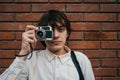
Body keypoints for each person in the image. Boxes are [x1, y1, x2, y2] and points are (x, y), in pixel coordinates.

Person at [0, 10, 95, 80]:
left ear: (67, 33)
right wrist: (23, 54)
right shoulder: (30, 60)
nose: (55, 35)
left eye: (61, 30)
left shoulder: (81, 60)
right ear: (40, 33)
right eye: (50, 31)